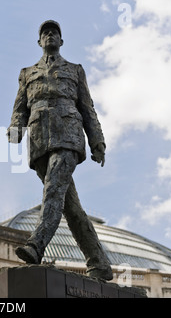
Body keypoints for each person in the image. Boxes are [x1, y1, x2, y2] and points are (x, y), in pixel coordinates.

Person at [7, 20, 113, 280]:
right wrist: (15, 129)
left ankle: (36, 244)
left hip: (68, 135)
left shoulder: (75, 70)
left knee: (53, 189)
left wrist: (96, 141)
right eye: (45, 33)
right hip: (39, 140)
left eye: (55, 32)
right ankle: (99, 262)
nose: (50, 35)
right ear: (39, 41)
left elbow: (87, 107)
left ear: (61, 41)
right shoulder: (26, 73)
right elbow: (20, 107)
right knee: (70, 206)